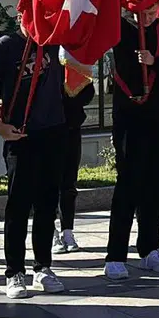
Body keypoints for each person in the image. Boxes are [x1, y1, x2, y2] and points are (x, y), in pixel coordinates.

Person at [0, 11, 68, 299]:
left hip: (53, 131)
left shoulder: (53, 42)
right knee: (18, 205)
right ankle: (14, 271)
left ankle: (43, 267)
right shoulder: (5, 46)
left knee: (47, 204)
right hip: (20, 134)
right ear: (20, 16)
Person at [103, 2, 159, 278]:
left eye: (153, 12)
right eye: (144, 13)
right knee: (128, 185)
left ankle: (150, 249)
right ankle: (115, 255)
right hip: (131, 119)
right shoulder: (120, 30)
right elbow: (122, 68)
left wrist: (155, 62)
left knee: (154, 186)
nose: (149, 18)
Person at [53, 78, 94, 254]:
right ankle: (51, 232)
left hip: (71, 128)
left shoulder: (74, 66)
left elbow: (89, 93)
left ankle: (67, 231)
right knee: (47, 185)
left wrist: (73, 91)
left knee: (68, 184)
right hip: (46, 130)